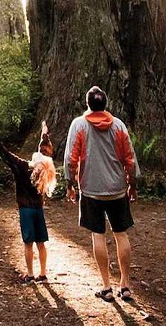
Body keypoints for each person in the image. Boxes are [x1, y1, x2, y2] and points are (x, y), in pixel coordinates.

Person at [64, 86, 140, 302]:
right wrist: (132, 184)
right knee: (121, 234)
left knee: (98, 235)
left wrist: (69, 184)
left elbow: (71, 158)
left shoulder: (78, 125)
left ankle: (106, 287)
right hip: (117, 190)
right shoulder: (118, 125)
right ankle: (124, 285)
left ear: (88, 104)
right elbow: (130, 158)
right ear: (105, 103)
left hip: (91, 190)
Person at [0, 121, 57, 284]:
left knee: (28, 244)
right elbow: (45, 150)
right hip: (38, 210)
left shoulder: (24, 168)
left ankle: (30, 274)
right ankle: (43, 274)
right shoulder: (46, 169)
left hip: (26, 210)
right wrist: (44, 134)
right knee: (41, 243)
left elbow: (7, 156)